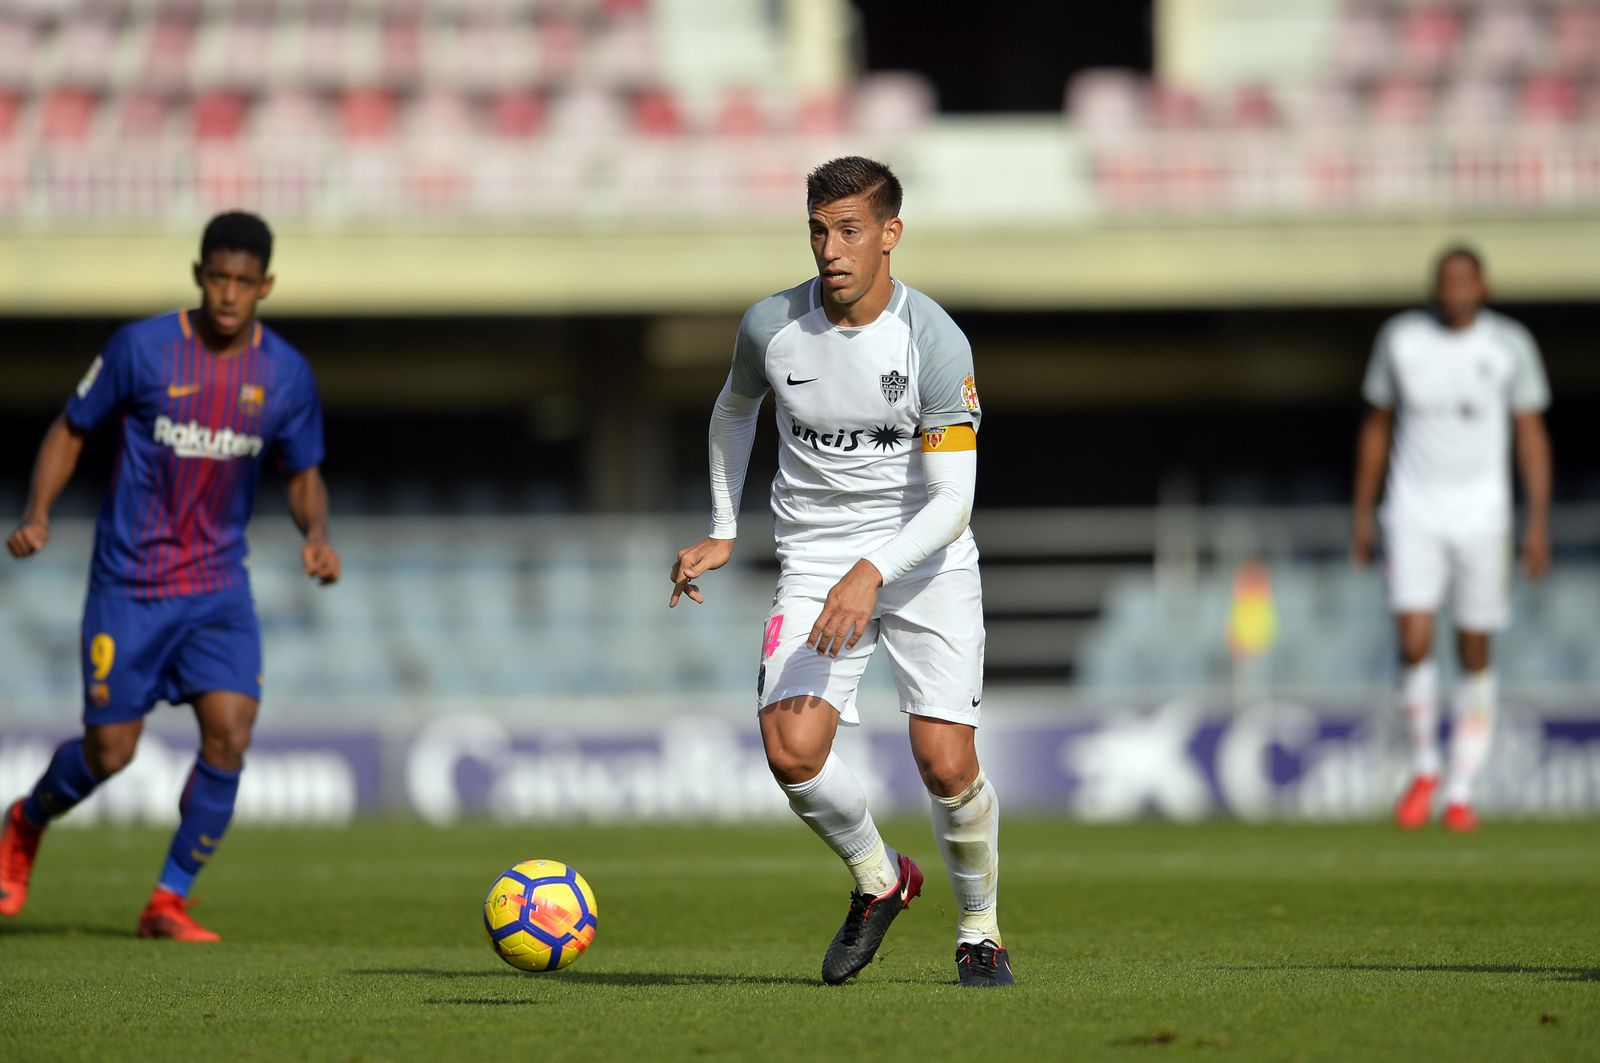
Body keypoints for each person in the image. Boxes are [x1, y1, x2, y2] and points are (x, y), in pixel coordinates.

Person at [669, 157, 1010, 986]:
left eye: (850, 229)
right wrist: (722, 526)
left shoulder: (932, 340)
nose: (831, 248)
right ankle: (880, 878)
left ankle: (979, 930)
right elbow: (733, 408)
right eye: (819, 229)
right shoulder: (771, 327)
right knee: (790, 748)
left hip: (923, 556)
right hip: (818, 554)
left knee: (945, 762)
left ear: (890, 234)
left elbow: (951, 503)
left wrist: (871, 570)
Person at [0, 211, 340, 939]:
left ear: (266, 286)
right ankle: (26, 819)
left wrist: (316, 534)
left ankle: (168, 900)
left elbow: (303, 473)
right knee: (110, 752)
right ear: (198, 274)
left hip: (219, 587)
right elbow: (71, 427)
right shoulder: (143, 348)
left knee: (230, 731)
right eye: (217, 276)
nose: (228, 293)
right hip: (130, 584)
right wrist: (37, 511)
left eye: (244, 282)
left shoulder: (284, 374)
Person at [1352, 245, 1552, 833]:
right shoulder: (1401, 340)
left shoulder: (1509, 345)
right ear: (1435, 287)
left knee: (1473, 647)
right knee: (1413, 638)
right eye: (1446, 281)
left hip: (1482, 518)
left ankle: (1462, 789)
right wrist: (1362, 511)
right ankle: (1425, 767)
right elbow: (1377, 427)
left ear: (1483, 287)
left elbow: (1530, 433)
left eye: (1466, 280)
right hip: (1413, 510)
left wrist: (1537, 518)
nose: (1456, 290)